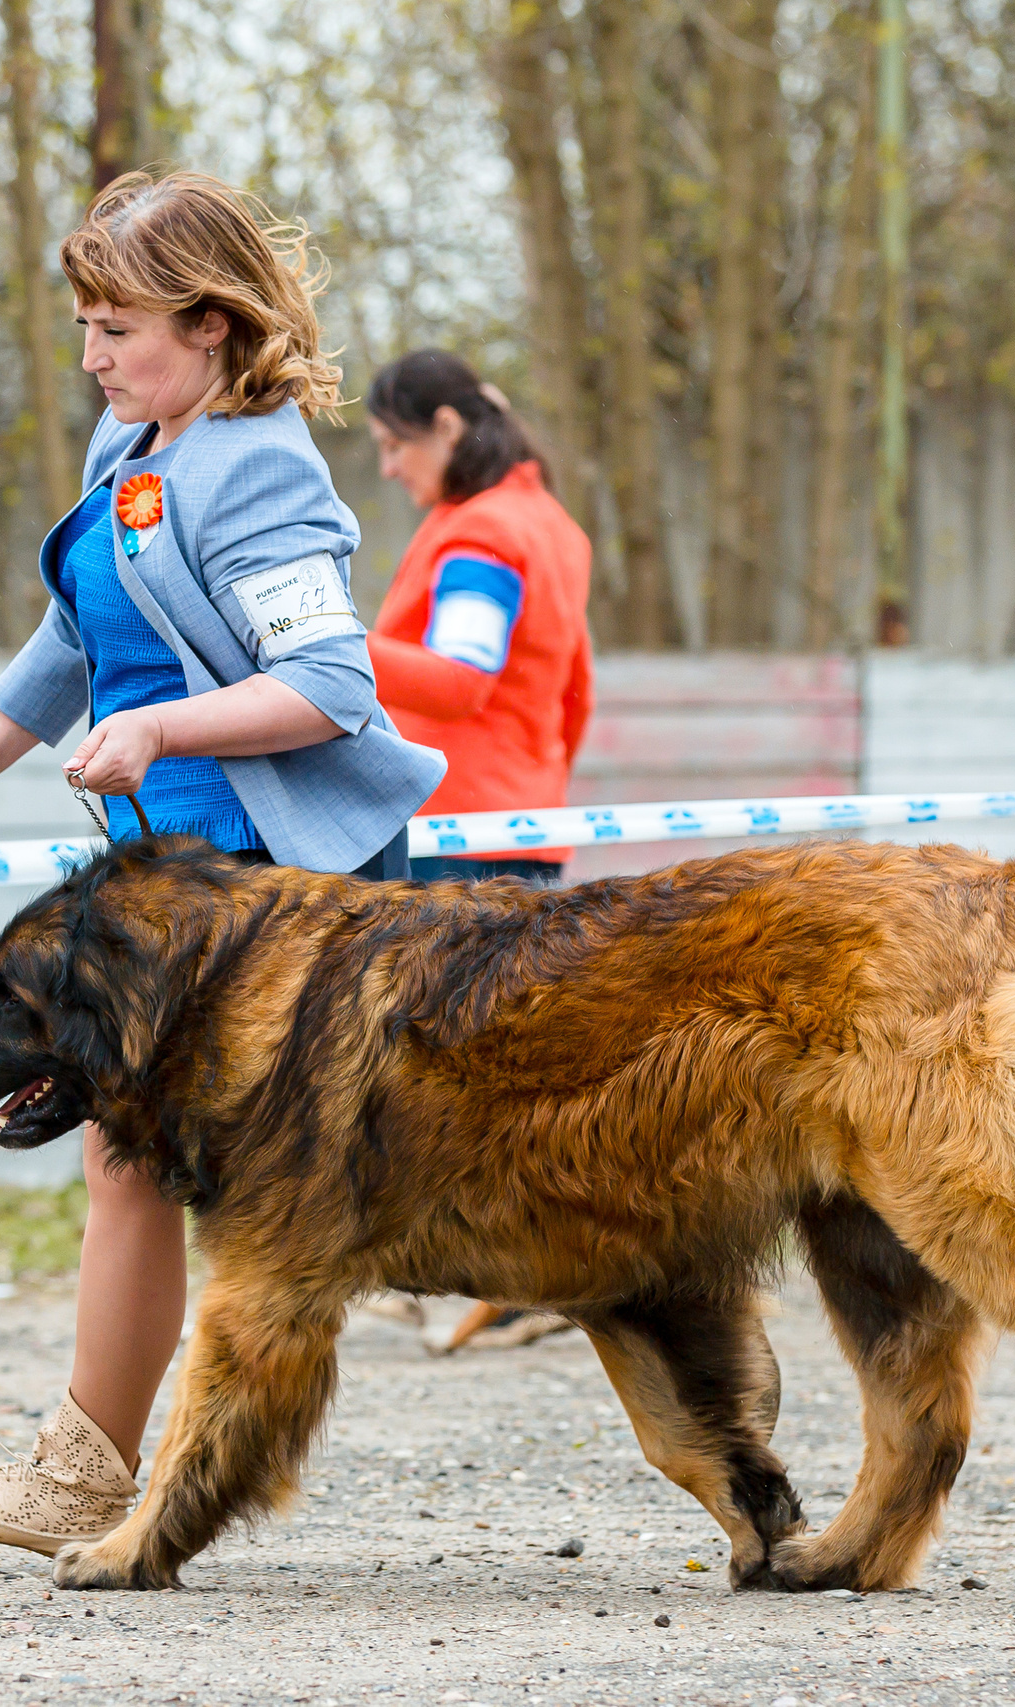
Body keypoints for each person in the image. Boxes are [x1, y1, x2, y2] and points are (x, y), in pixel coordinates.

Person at [0, 169, 443, 1557]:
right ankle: (101, 1472)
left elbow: (329, 688)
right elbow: (73, 642)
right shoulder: (128, 447)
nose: (92, 355)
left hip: (265, 887)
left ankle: (94, 1475)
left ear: (210, 323)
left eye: (114, 326)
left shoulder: (257, 466)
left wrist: (159, 727)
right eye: (84, 324)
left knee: (162, 1167)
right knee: (138, 1162)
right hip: (172, 881)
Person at [361, 348, 594, 1354]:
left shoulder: (482, 534)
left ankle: (392, 1267)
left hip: (451, 834)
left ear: (445, 430)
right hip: (520, 822)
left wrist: (312, 645)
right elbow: (572, 691)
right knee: (508, 1073)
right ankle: (548, 1270)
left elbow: (458, 679)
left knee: (414, 1064)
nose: (384, 468)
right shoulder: (547, 522)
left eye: (390, 444)